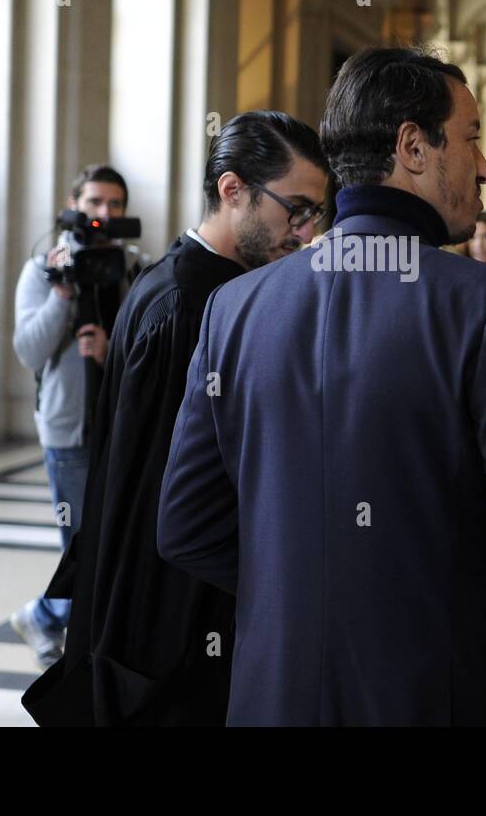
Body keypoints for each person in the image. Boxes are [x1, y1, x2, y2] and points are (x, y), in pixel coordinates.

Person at [158, 46, 486, 726]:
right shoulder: (484, 304)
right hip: (434, 695)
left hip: (275, 695)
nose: (484, 167)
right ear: (413, 147)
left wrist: (297, 601)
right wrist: (465, 636)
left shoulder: (234, 307)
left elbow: (185, 525)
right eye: (471, 138)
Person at [22, 111, 330, 726]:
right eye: (293, 209)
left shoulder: (187, 283)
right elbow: (168, 497)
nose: (303, 232)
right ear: (233, 189)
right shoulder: (193, 305)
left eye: (314, 214)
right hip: (170, 624)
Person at [9, 164, 143, 667]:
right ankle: (65, 632)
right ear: (73, 204)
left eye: (114, 205)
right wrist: (62, 294)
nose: (103, 214)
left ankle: (45, 617)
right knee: (82, 545)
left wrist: (113, 352)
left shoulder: (135, 267)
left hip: (120, 422)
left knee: (107, 540)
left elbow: (150, 347)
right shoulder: (43, 267)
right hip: (68, 428)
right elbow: (28, 349)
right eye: (94, 203)